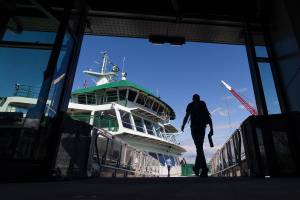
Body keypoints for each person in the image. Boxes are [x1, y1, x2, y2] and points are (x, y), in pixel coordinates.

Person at [181, 94, 213, 177]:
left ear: (192, 99)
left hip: (196, 128)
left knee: (199, 147)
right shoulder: (202, 104)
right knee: (199, 147)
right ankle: (199, 168)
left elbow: (187, 116)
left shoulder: (191, 105)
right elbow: (208, 116)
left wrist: (183, 125)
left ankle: (202, 169)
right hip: (201, 128)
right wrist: (211, 129)